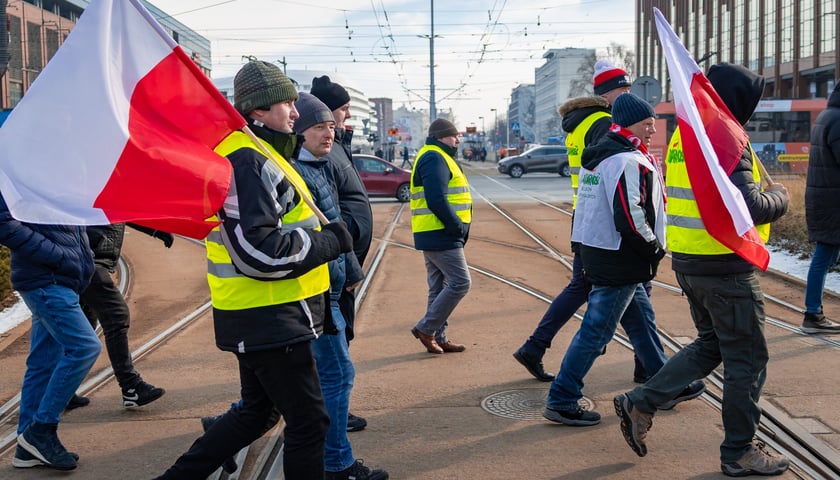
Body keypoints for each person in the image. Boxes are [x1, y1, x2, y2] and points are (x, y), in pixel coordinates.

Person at [152, 59, 353, 480]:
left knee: (258, 413)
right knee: (309, 422)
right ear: (258, 111)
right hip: (270, 316)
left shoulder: (262, 154)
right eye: (286, 104)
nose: (296, 113)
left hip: (265, 314)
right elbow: (260, 252)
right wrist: (331, 241)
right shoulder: (247, 161)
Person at [614, 63, 791, 477]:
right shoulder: (725, 137)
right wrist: (780, 197)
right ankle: (739, 451)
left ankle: (642, 400)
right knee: (747, 358)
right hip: (725, 266)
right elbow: (750, 205)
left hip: (691, 263)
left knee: (712, 344)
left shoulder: (686, 134)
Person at [543, 93, 704, 426]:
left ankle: (665, 385)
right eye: (647, 124)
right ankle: (562, 398)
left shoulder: (604, 156)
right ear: (631, 123)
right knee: (595, 332)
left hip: (603, 252)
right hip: (620, 259)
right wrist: (654, 248)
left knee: (642, 323)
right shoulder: (625, 160)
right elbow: (630, 216)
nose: (652, 130)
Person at [514, 59, 650, 384]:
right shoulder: (603, 123)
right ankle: (641, 364)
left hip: (588, 215)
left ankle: (537, 347)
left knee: (594, 288)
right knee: (629, 288)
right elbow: (612, 171)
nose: (627, 94)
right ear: (606, 92)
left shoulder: (581, 123)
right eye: (622, 89)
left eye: (629, 88)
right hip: (603, 219)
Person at [293, 92, 388, 480]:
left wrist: (350, 273)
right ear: (300, 132)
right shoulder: (297, 173)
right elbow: (322, 235)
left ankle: (223, 427)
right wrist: (345, 273)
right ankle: (336, 463)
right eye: (319, 127)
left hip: (330, 286)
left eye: (331, 126)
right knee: (336, 374)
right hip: (314, 293)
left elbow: (337, 227)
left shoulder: (321, 166)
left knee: (294, 382)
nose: (328, 133)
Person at [0, 193, 101, 471]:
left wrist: (84, 254)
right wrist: (55, 255)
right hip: (45, 278)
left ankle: (26, 447)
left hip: (60, 277)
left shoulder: (53, 164)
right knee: (84, 348)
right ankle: (41, 430)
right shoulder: (14, 165)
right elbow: (3, 222)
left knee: (42, 364)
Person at [311, 75, 375, 432]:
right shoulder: (323, 152)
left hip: (343, 263)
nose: (347, 115)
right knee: (334, 359)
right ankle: (335, 417)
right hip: (335, 267)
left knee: (331, 352)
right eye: (343, 108)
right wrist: (349, 267)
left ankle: (333, 412)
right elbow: (330, 213)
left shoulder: (336, 145)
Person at [77, 223, 170, 409]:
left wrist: (156, 229)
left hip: (91, 259)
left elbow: (124, 209)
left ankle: (61, 390)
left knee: (83, 328)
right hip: (90, 260)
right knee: (116, 316)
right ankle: (131, 387)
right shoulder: (87, 193)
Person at [409, 118, 471, 354]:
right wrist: (456, 226)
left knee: (438, 287)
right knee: (460, 282)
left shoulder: (437, 155)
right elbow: (436, 198)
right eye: (454, 135)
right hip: (440, 232)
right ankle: (426, 328)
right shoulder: (435, 156)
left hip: (433, 231)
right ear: (442, 136)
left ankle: (438, 336)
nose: (458, 140)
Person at [802, 81, 840, 334]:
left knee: (825, 254)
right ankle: (813, 313)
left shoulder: (828, 116)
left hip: (825, 198)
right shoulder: (837, 120)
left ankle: (813, 312)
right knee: (824, 254)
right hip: (833, 202)